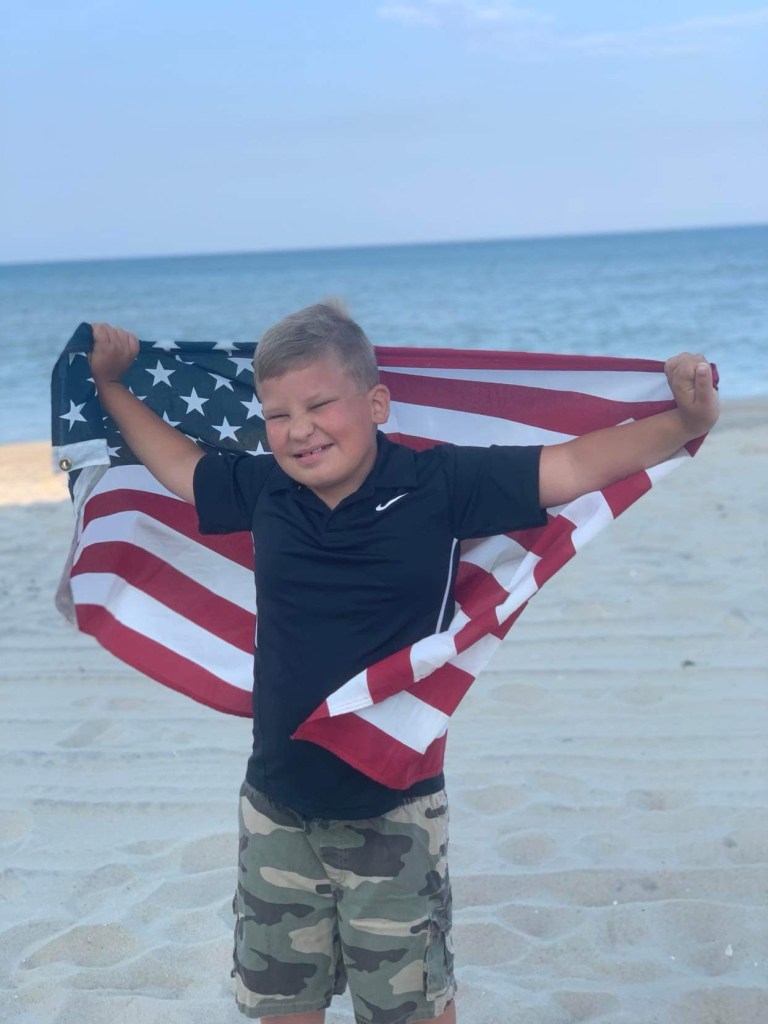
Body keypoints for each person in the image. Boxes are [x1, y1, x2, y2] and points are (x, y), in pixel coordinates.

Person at [88, 303, 719, 1024]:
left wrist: (685, 424)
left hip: (394, 810)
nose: (299, 428)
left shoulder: (438, 485)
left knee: (410, 1007)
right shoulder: (264, 490)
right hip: (276, 807)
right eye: (277, 413)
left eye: (320, 403)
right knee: (281, 1004)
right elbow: (177, 466)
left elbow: (571, 465)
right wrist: (111, 387)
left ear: (377, 402)